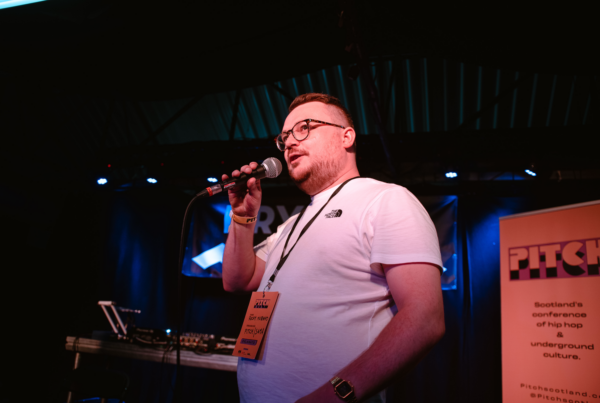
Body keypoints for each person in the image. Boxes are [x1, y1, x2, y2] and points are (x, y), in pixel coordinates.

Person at [221, 93, 445, 403]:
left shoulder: (386, 200)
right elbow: (238, 280)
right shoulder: (292, 224)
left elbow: (424, 318)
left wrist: (333, 395)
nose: (289, 143)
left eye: (304, 128)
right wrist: (243, 218)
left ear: (346, 137)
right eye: (284, 138)